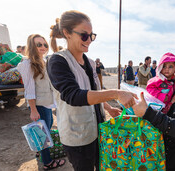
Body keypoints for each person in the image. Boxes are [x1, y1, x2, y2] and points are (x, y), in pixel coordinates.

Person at [47, 10, 137, 171]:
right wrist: (116, 93)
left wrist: (108, 108)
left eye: (91, 36)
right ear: (67, 33)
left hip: (97, 131)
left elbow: (94, 90)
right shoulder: (58, 61)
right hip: (77, 137)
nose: (89, 40)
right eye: (84, 35)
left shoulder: (89, 62)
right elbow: (73, 95)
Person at [17, 34, 66, 170]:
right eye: (39, 44)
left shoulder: (43, 60)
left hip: (46, 103)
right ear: (32, 46)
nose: (43, 47)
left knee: (45, 131)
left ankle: (41, 153)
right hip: (38, 105)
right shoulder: (27, 64)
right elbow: (29, 90)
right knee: (44, 135)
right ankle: (48, 162)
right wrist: (33, 110)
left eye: (45, 44)